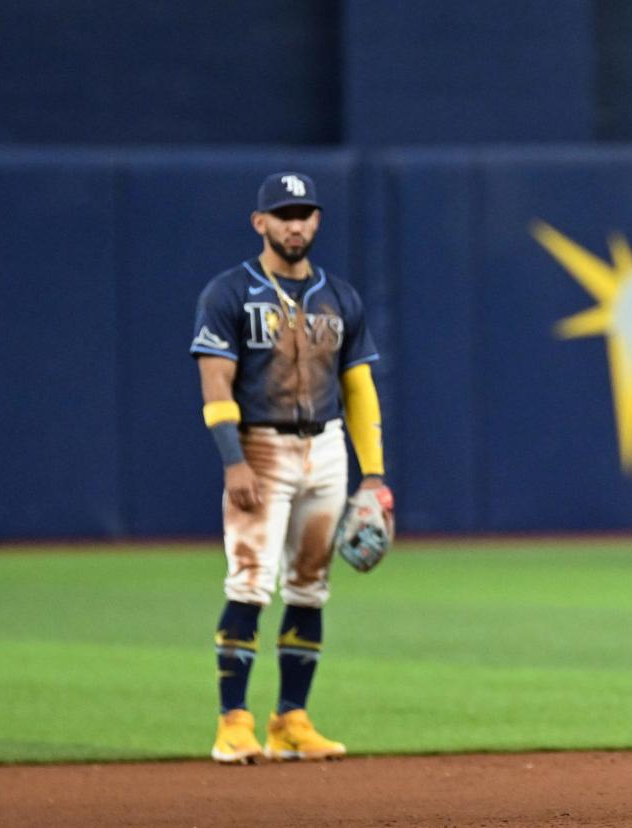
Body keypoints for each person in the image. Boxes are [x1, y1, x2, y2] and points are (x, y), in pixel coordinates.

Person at [190, 171, 392, 764]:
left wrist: (373, 475)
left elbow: (359, 387)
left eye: (304, 213)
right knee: (250, 582)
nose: (294, 224)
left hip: (325, 448)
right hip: (259, 448)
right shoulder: (229, 293)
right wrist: (233, 461)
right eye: (283, 214)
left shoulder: (340, 296)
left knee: (310, 587)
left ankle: (291, 720)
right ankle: (234, 723)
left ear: (317, 221)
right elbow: (215, 381)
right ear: (261, 223)